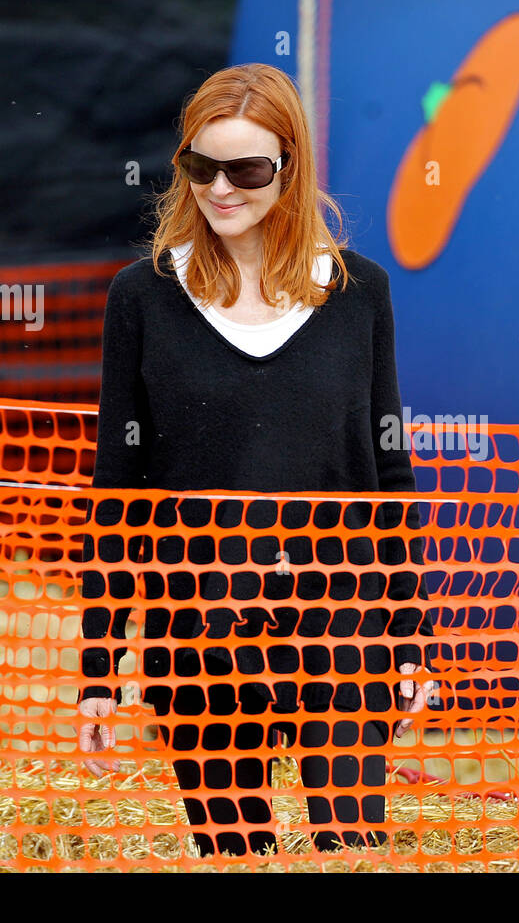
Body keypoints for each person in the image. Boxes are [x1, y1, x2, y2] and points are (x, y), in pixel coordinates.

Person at [77, 63, 437, 859]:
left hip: (341, 634)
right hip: (196, 637)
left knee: (347, 851)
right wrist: (101, 666)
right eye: (200, 167)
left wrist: (409, 636)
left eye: (246, 169)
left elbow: (389, 477)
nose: (221, 189)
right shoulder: (141, 298)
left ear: (291, 166)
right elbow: (116, 495)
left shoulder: (358, 291)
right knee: (236, 856)